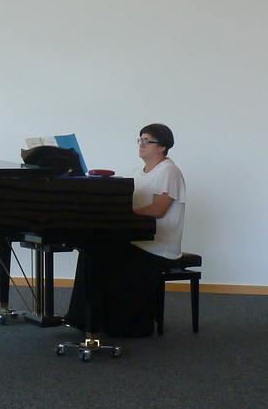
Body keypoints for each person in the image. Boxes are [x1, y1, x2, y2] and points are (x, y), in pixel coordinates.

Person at [65, 123, 187, 338]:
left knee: (100, 254)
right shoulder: (136, 172)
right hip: (138, 240)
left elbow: (158, 209)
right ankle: (84, 319)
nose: (142, 144)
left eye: (147, 141)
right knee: (90, 250)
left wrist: (124, 214)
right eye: (140, 140)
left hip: (159, 246)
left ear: (162, 146)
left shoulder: (169, 171)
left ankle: (118, 323)